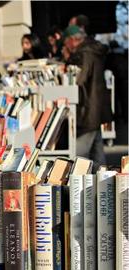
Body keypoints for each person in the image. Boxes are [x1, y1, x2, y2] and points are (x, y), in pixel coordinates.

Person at [63, 25, 112, 169]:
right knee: (97, 151)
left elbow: (78, 79)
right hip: (95, 107)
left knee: (79, 156)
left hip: (87, 109)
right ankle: (106, 183)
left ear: (72, 40)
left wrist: (68, 60)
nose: (65, 46)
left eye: (66, 42)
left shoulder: (84, 54)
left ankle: (81, 188)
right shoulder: (92, 51)